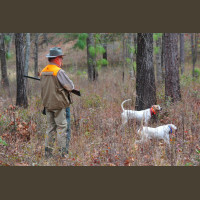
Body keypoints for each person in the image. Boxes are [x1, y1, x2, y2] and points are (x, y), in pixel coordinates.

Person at [40, 47, 74, 158]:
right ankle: (62, 153)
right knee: (62, 127)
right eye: (61, 58)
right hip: (59, 106)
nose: (61, 61)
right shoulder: (58, 71)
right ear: (56, 59)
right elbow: (70, 86)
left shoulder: (43, 71)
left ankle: (48, 154)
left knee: (50, 128)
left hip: (47, 104)